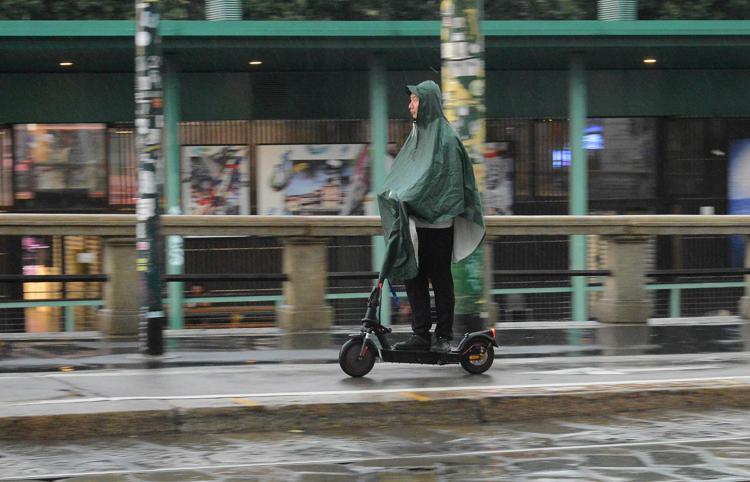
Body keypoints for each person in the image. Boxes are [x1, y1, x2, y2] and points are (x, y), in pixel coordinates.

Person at [376, 80, 485, 353]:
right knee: (413, 276)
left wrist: (407, 196)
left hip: (438, 225)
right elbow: (408, 175)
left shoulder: (445, 138)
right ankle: (421, 335)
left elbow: (440, 181)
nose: (409, 105)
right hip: (417, 222)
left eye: (414, 100)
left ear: (427, 103)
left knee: (439, 278)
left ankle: (444, 336)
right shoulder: (417, 135)